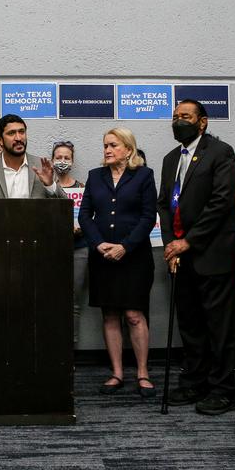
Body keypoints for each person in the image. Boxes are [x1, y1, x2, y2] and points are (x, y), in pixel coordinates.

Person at [157, 99, 235, 415]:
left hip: (212, 253)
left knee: (218, 326)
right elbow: (164, 205)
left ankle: (224, 390)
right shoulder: (170, 159)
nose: (179, 121)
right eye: (176, 116)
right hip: (181, 255)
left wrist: (188, 242)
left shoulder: (220, 153)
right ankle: (195, 381)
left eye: (186, 117)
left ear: (202, 122)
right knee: (190, 324)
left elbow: (221, 203)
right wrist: (171, 244)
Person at [79, 129, 157, 399]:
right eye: (105, 145)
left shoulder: (144, 176)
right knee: (110, 314)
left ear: (128, 148)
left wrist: (125, 246)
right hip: (102, 256)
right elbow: (85, 215)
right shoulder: (94, 176)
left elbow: (148, 217)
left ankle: (143, 372)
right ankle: (117, 372)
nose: (107, 150)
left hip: (134, 256)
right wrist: (99, 244)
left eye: (113, 145)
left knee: (134, 315)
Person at [0, 115, 66, 199]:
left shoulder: (42, 167)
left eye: (21, 132)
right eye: (11, 133)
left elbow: (65, 205)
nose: (18, 138)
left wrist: (50, 185)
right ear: (0, 140)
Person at [52, 140, 88, 344]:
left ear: (72, 161)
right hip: (53, 249)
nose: (62, 161)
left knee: (73, 303)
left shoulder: (82, 188)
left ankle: (69, 352)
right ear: (52, 160)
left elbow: (90, 217)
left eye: (66, 158)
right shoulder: (47, 188)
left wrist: (80, 228)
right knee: (52, 300)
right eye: (59, 157)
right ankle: (53, 349)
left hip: (79, 249)